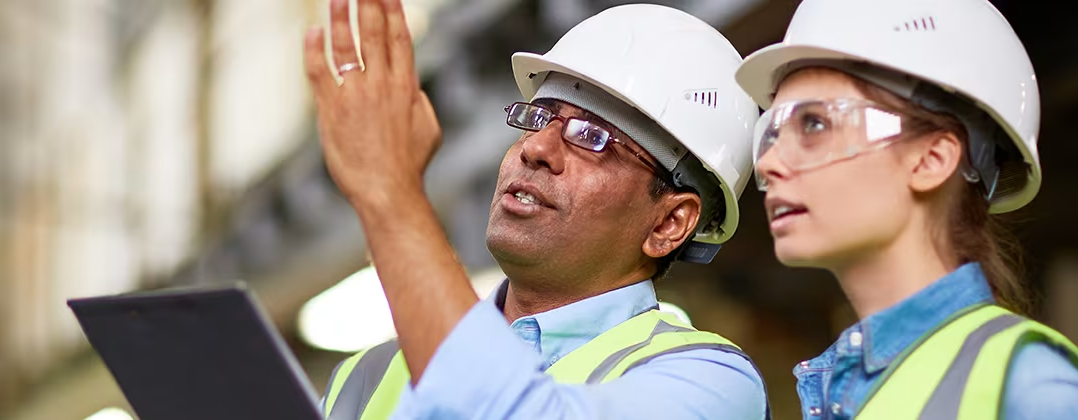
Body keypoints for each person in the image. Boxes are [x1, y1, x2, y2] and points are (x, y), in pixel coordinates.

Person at [302, 1, 768, 419]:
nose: (537, 148)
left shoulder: (710, 384)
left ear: (669, 222)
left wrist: (390, 194)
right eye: (539, 117)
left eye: (592, 137)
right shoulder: (364, 377)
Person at [732, 0, 1078, 418]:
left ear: (931, 159)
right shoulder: (844, 386)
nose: (769, 162)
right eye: (772, 132)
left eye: (814, 124)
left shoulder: (1038, 390)